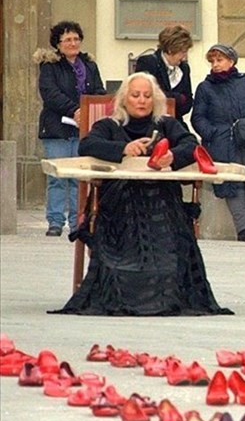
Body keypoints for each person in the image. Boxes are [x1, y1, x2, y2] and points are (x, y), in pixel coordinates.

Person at [49, 73, 232, 316]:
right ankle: (123, 290)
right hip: (121, 201)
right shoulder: (109, 126)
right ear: (124, 99)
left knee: (171, 228)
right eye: (135, 95)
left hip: (162, 202)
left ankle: (167, 294)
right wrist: (123, 149)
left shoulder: (166, 124)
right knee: (123, 225)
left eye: (147, 96)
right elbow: (88, 145)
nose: (141, 100)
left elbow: (190, 143)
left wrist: (172, 156)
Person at [192, 44, 245, 243]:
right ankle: (244, 228)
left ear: (231, 61)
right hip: (223, 142)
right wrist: (212, 133)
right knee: (232, 183)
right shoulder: (205, 87)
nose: (215, 65)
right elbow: (198, 117)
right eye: (212, 61)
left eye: (219, 60)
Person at [35, 21, 105, 237]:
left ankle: (78, 221)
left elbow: (99, 90)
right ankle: (55, 221)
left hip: (83, 130)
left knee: (80, 178)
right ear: (58, 44)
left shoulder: (90, 65)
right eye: (67, 40)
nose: (72, 43)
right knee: (57, 178)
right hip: (57, 130)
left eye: (76, 39)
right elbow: (50, 94)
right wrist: (76, 109)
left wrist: (93, 108)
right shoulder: (50, 66)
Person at [133, 25, 195, 126]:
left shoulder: (184, 68)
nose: (184, 57)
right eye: (182, 52)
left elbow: (187, 103)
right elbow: (148, 95)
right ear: (171, 50)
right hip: (150, 123)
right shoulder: (148, 62)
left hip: (175, 123)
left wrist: (173, 99)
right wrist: (177, 98)